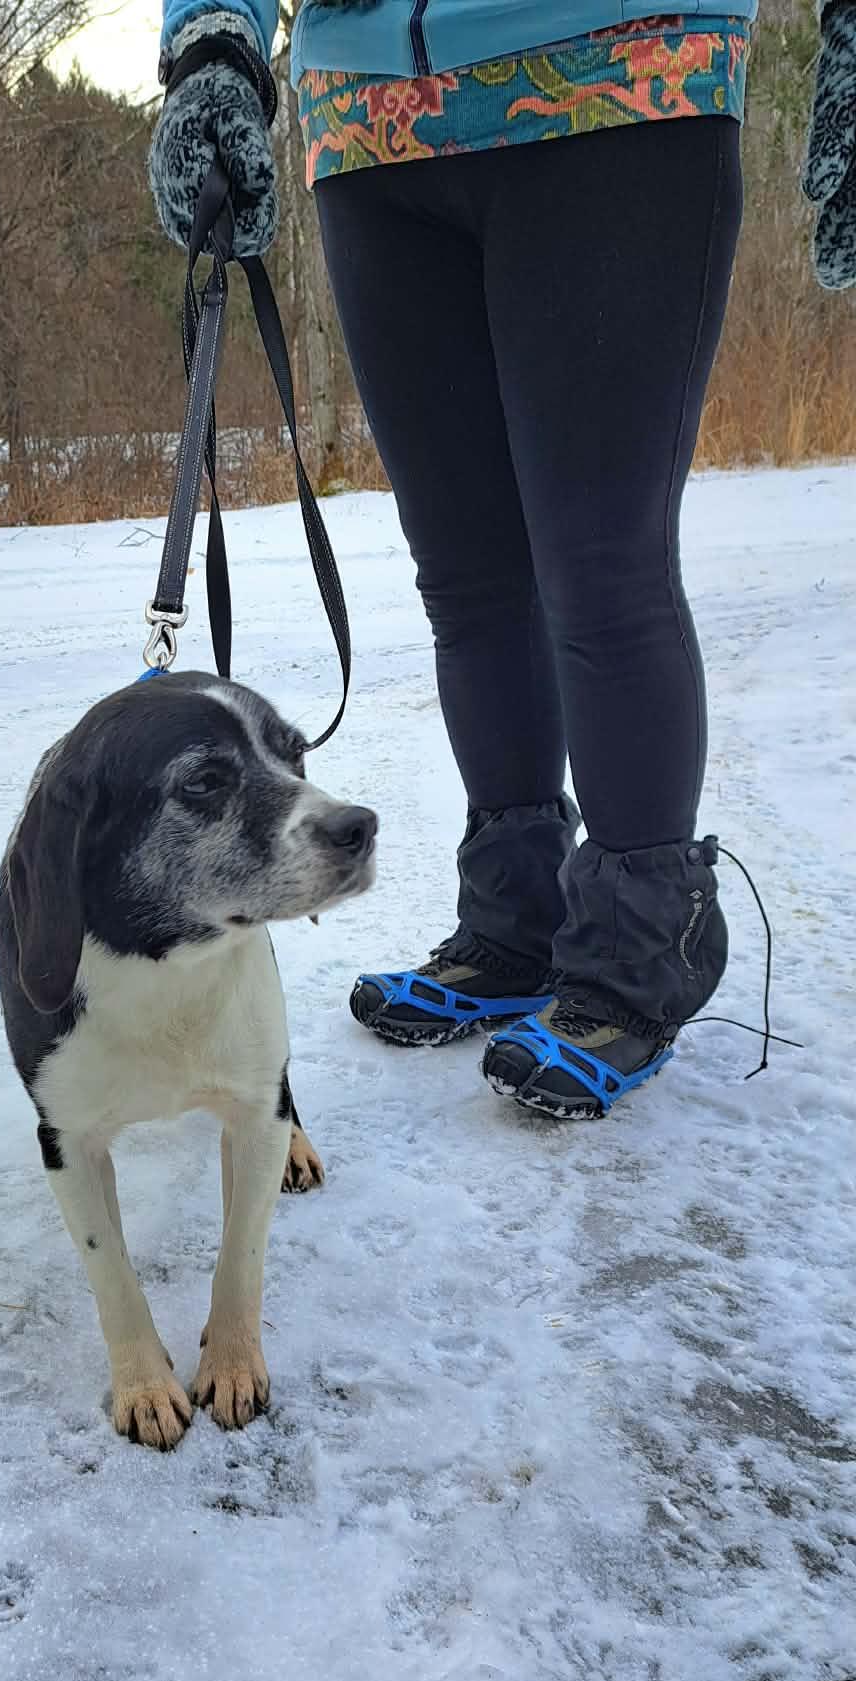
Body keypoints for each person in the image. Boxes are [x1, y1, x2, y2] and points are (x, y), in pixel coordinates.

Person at [150, 1, 855, 1119]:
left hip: (622, 74)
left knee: (603, 570)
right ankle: (517, 923)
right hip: (369, 123)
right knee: (469, 581)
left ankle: (634, 961)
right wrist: (212, 41)